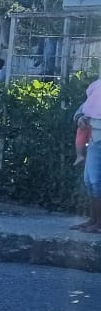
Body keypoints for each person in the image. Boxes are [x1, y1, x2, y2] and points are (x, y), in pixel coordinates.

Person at [72, 80, 101, 232]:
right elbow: (82, 111)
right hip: (95, 140)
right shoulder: (98, 87)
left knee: (96, 183)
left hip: (97, 139)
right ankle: (94, 220)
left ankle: (98, 223)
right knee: (90, 181)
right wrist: (81, 118)